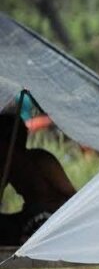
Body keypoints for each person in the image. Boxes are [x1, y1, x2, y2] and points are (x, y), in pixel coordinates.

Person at [0, 95, 77, 245]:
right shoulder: (8, 166)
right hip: (28, 216)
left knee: (37, 221)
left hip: (50, 218)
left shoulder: (40, 159)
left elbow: (72, 195)